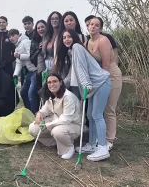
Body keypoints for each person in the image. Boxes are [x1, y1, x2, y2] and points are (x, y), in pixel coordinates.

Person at [56, 29, 112, 161]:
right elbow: (72, 74)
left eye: (69, 36)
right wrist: (59, 85)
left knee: (97, 115)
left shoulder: (77, 47)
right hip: (93, 86)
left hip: (100, 83)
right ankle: (92, 145)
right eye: (64, 37)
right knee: (90, 115)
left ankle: (103, 147)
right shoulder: (72, 52)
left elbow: (82, 68)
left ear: (75, 37)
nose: (66, 39)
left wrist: (86, 84)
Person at [87, 17, 122, 151]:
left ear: (100, 28)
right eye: (91, 24)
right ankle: (98, 138)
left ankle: (109, 140)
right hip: (98, 77)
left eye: (96, 25)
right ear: (88, 27)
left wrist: (101, 82)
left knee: (109, 109)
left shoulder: (103, 40)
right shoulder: (88, 42)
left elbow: (106, 64)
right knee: (98, 110)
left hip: (110, 75)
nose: (93, 27)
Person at [29, 73, 81, 159]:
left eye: (55, 81)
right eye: (49, 82)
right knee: (32, 128)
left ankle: (68, 147)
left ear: (60, 82)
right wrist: (39, 114)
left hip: (73, 124)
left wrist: (48, 125)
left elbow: (66, 119)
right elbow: (45, 110)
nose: (52, 84)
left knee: (57, 131)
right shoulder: (51, 95)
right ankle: (57, 142)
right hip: (57, 121)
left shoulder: (68, 97)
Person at [9, 29, 38, 114]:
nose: (11, 38)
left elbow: (31, 55)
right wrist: (15, 74)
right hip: (29, 72)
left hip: (36, 70)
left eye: (13, 35)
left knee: (31, 93)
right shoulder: (17, 47)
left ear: (18, 35)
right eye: (10, 36)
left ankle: (34, 114)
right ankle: (29, 112)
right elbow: (19, 63)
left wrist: (19, 55)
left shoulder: (26, 42)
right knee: (23, 92)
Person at [31, 20, 47, 99]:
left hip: (50, 67)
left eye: (42, 27)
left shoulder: (52, 38)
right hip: (38, 70)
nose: (41, 29)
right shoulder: (34, 41)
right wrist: (39, 49)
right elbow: (32, 59)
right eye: (38, 28)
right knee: (34, 91)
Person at [20, 16, 35, 86]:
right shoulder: (22, 37)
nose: (27, 25)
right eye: (25, 24)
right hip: (24, 64)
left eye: (29, 23)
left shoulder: (36, 35)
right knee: (24, 85)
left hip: (34, 64)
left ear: (33, 24)